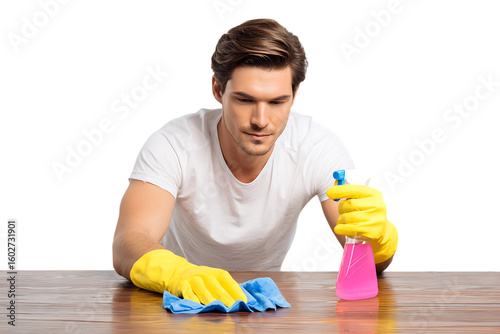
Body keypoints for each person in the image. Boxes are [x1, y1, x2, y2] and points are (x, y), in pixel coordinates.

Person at [112, 18, 398, 307]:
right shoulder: (174, 143)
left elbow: (368, 262)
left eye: (276, 102)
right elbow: (129, 240)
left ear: (294, 95)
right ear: (217, 90)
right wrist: (179, 274)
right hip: (178, 303)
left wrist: (378, 238)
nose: (261, 121)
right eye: (245, 100)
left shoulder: (316, 147)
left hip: (263, 305)